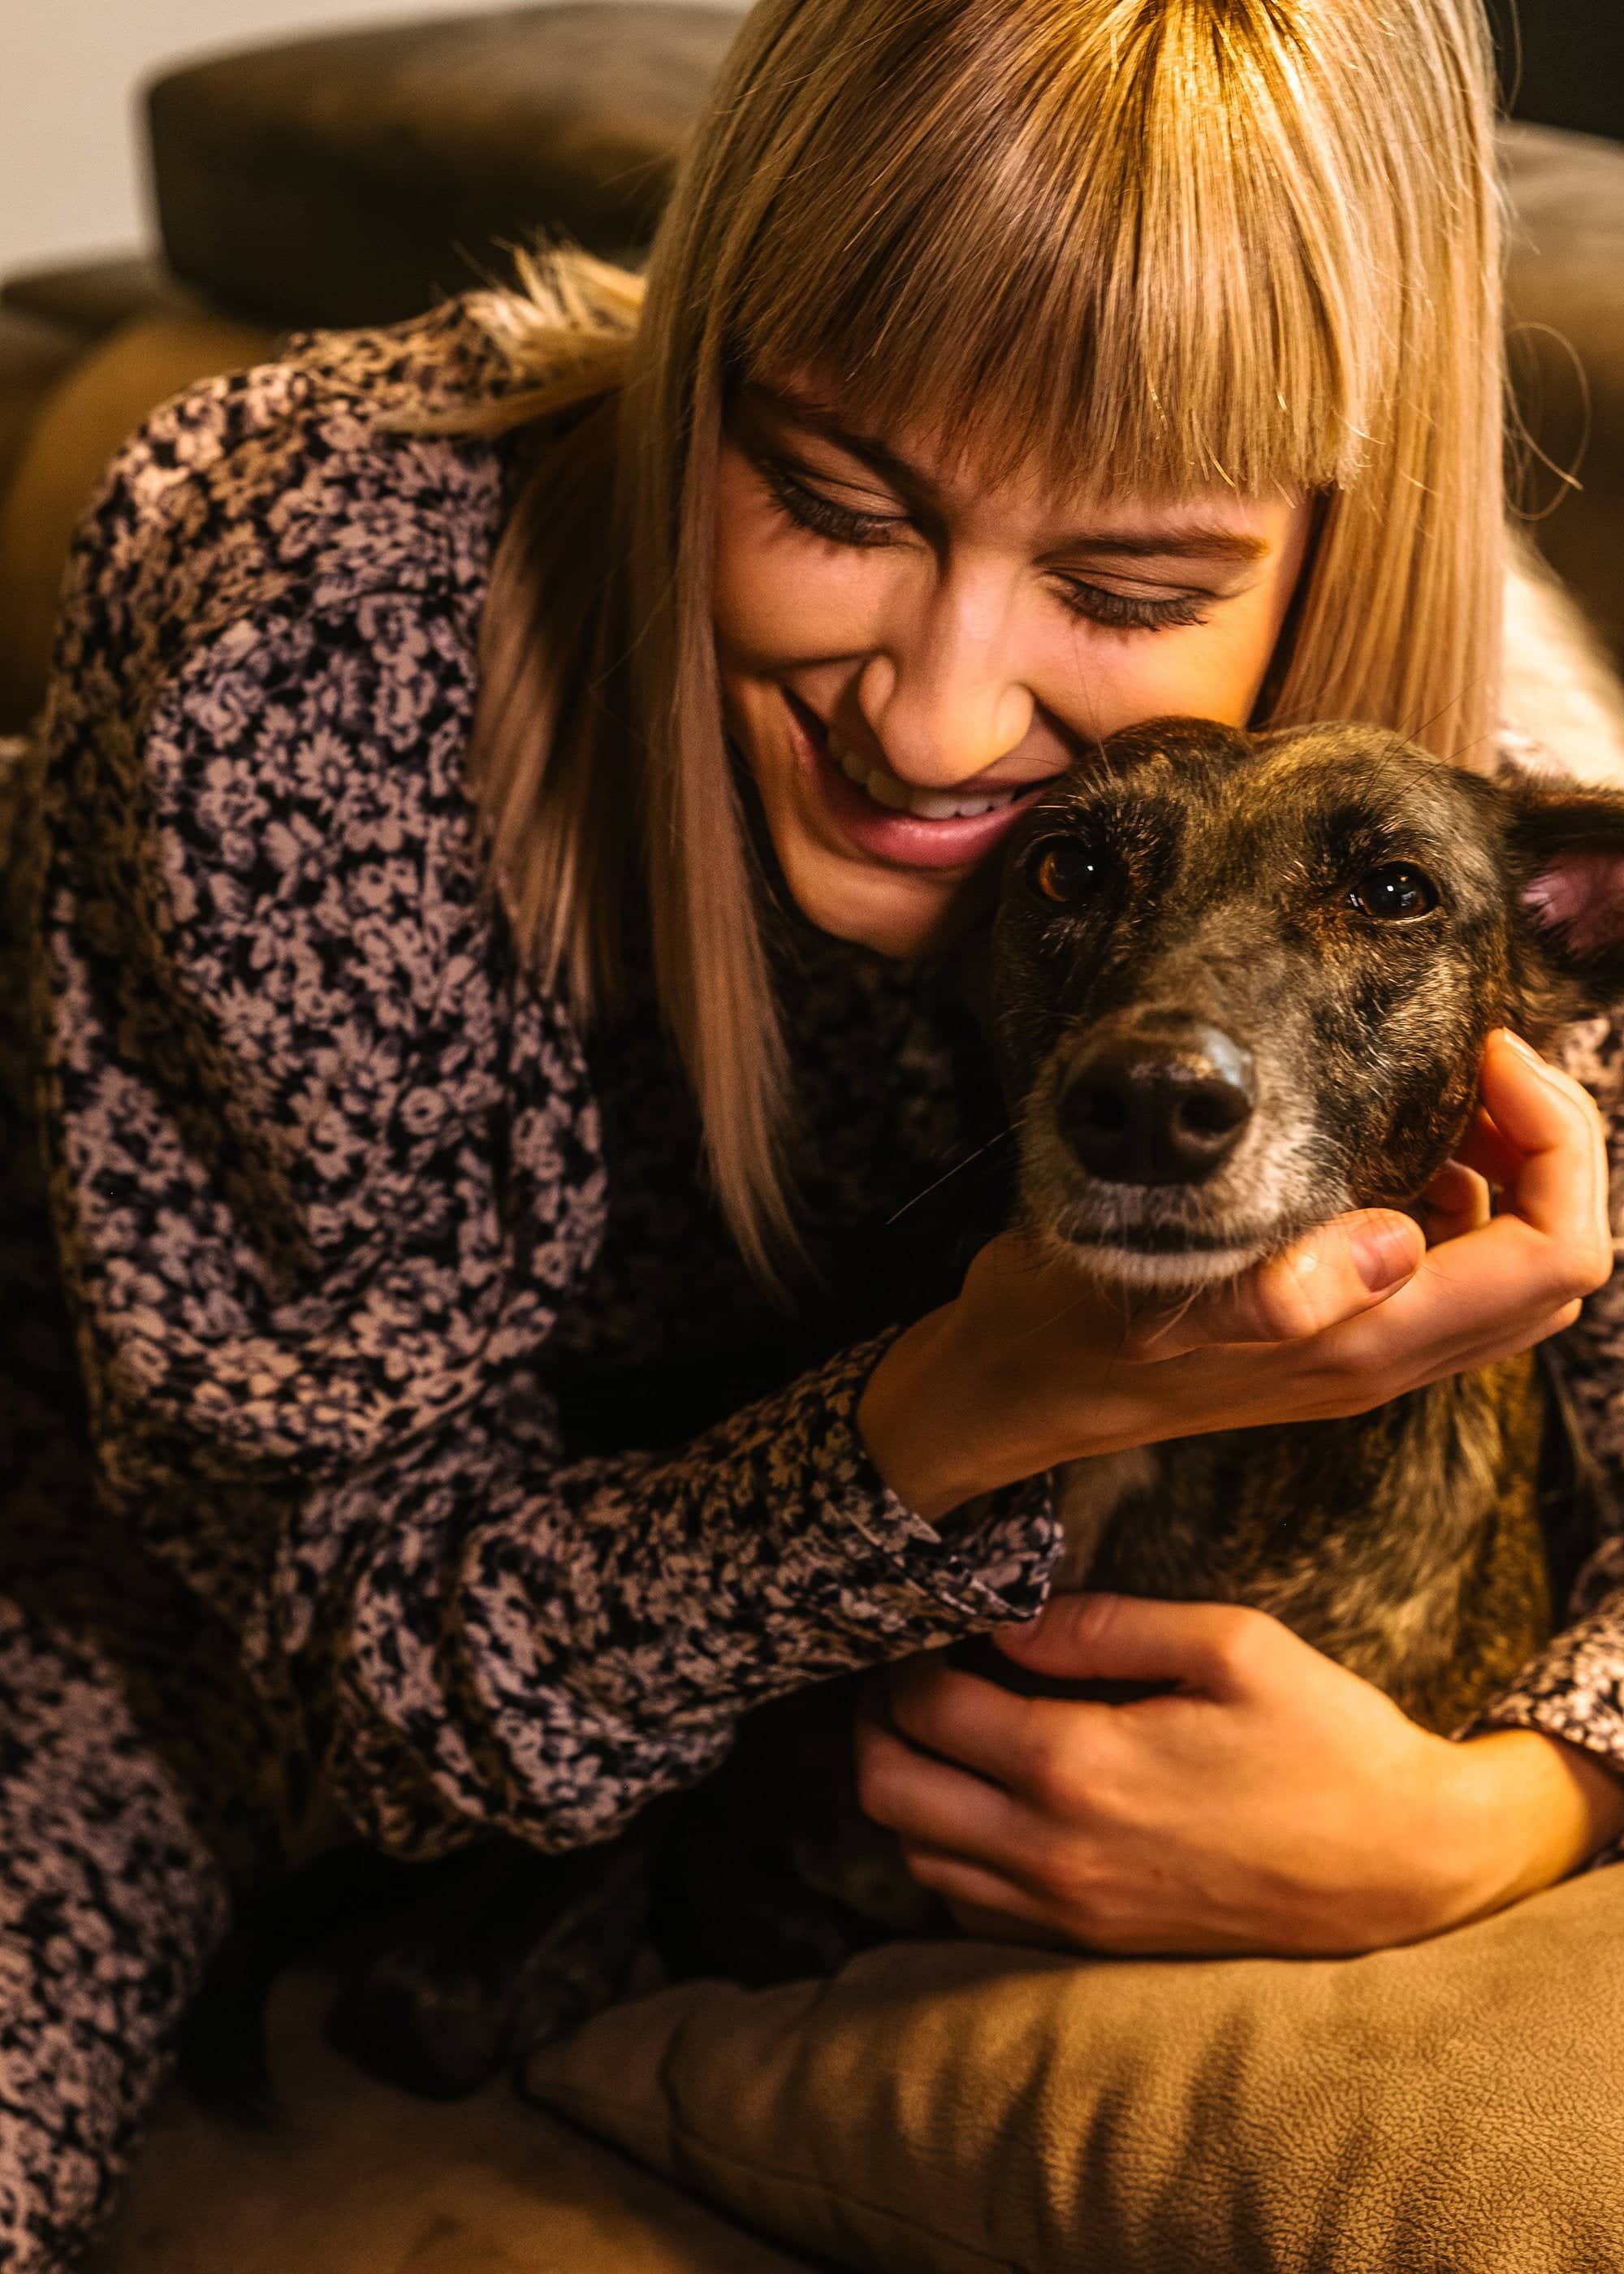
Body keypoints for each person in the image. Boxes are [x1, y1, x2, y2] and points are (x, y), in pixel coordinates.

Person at [4, 0, 1624, 2258]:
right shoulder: (320, 619)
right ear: (697, 390)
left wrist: (1506, 1811)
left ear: (1342, 536)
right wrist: (960, 1411)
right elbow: (342, 1677)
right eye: (835, 504)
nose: (946, 714)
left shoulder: (1458, 793)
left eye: (1132, 592)